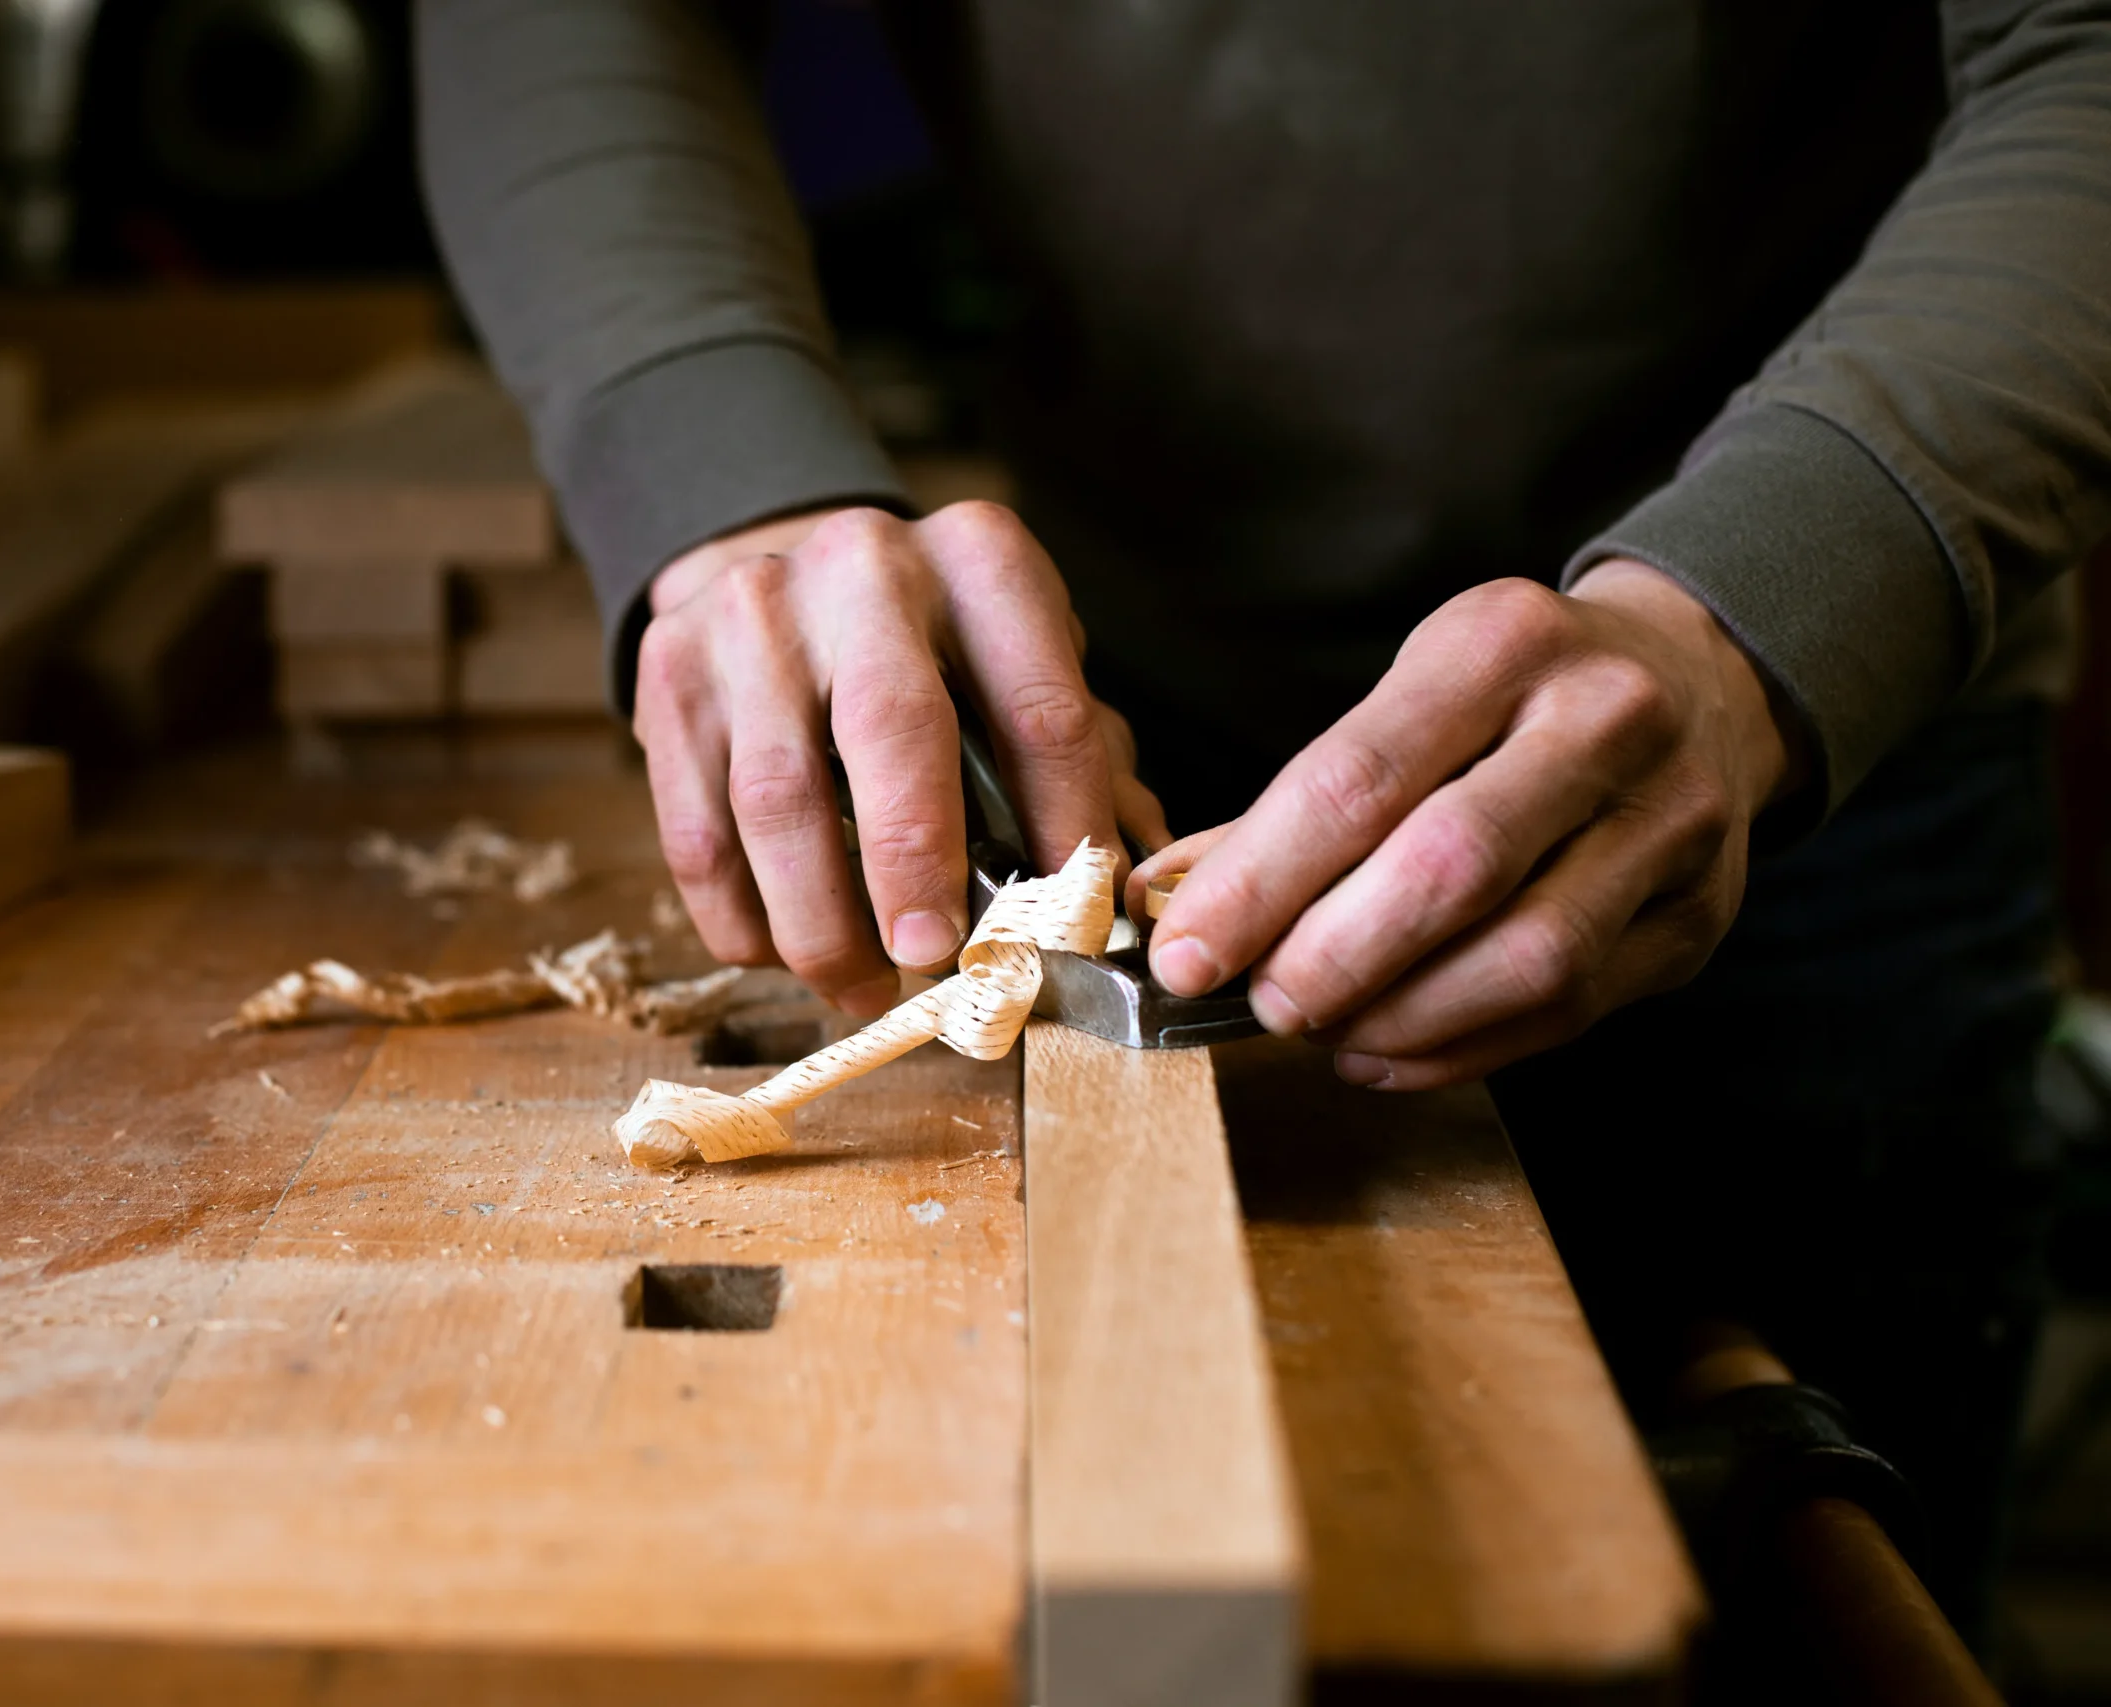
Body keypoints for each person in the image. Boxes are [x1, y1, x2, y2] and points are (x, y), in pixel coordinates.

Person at [417, 0, 2110, 1644]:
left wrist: (1773, 605)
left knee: (1817, 1580)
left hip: (1824, 706)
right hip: (1110, 679)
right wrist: (714, 463)